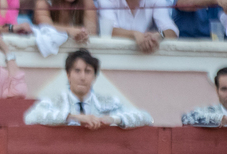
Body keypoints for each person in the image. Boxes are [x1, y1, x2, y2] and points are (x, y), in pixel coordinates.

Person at [24, 48, 153, 127]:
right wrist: (73, 117)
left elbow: (147, 118)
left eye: (88, 71)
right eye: (77, 71)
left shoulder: (107, 103)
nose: (82, 77)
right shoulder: (55, 101)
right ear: (68, 75)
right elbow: (30, 117)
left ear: (94, 77)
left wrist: (113, 119)